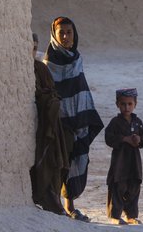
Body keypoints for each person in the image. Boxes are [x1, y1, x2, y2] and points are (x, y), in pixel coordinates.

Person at [43, 17, 104, 222]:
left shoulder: (76, 58)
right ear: (54, 34)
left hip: (78, 119)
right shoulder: (50, 61)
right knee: (61, 161)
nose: (67, 37)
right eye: (62, 33)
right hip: (60, 122)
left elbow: (80, 86)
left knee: (77, 157)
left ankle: (70, 205)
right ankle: (59, 204)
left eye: (69, 32)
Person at [30, 33, 70, 215]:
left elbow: (51, 91)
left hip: (49, 122)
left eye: (34, 48)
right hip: (37, 125)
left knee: (54, 160)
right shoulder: (25, 69)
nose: (31, 52)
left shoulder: (41, 68)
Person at [105, 88, 143, 225]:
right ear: (117, 104)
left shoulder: (137, 121)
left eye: (130, 104)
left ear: (135, 104)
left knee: (134, 186)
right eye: (123, 104)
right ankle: (115, 216)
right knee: (118, 186)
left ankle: (131, 215)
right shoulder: (115, 122)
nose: (126, 107)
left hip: (134, 161)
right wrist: (124, 139)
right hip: (120, 161)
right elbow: (109, 138)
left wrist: (139, 140)